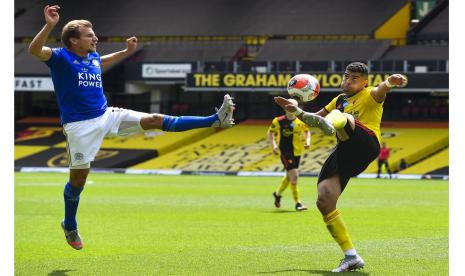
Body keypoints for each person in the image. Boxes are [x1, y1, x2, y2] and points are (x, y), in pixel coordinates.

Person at [28, 5, 235, 250]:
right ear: (73, 40)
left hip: (106, 114)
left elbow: (102, 60)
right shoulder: (60, 57)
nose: (95, 37)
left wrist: (126, 51)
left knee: (155, 119)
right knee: (79, 179)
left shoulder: (92, 57)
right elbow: (34, 51)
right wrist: (50, 25)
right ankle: (70, 224)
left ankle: (214, 120)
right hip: (80, 127)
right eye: (88, 34)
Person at [274, 62, 407, 272]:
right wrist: (296, 111)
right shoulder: (339, 99)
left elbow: (383, 88)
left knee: (345, 118)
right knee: (324, 199)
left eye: (354, 78)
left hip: (366, 142)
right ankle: (351, 256)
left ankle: (334, 123)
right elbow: (314, 119)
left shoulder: (371, 94)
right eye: (346, 76)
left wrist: (391, 81)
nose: (348, 81)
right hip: (345, 148)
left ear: (364, 83)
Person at [268, 99, 311, 211]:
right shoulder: (278, 121)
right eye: (290, 106)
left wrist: (307, 141)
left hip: (297, 152)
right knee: (295, 176)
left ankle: (277, 194)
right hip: (285, 152)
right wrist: (274, 146)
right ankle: (298, 203)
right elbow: (270, 133)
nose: (292, 108)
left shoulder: (301, 121)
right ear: (285, 108)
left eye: (294, 106)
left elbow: (307, 131)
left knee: (289, 176)